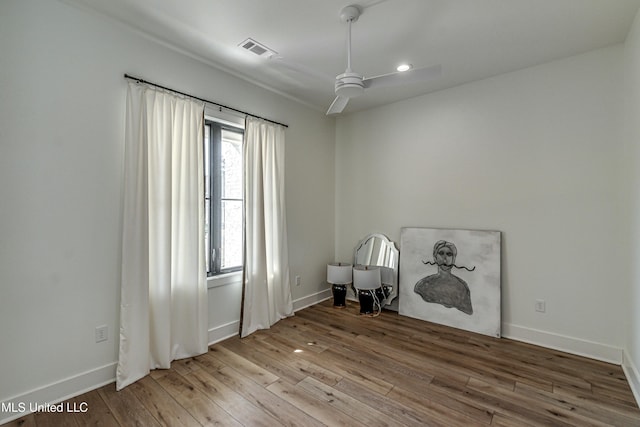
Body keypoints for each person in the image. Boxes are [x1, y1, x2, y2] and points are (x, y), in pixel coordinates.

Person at [414, 240, 473, 315]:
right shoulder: (422, 285)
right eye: (441, 253)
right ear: (435, 257)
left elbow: (468, 313)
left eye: (449, 254)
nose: (445, 258)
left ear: (453, 259)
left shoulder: (462, 287)